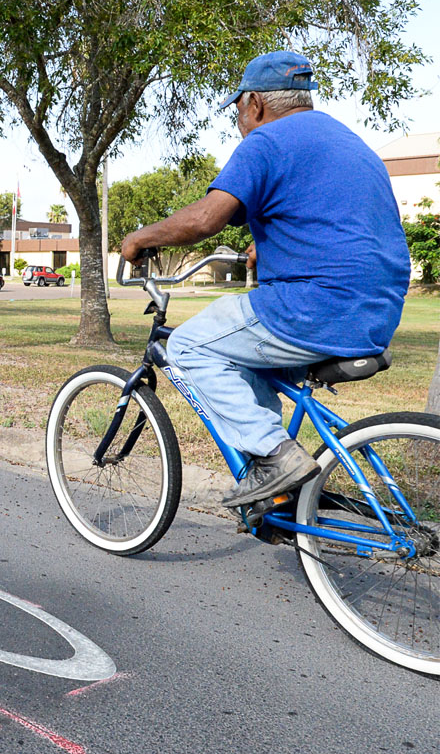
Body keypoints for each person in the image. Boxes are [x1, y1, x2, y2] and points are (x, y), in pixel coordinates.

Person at [120, 50, 411, 509]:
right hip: (376, 310)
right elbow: (351, 225)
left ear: (254, 103)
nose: (239, 119)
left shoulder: (266, 141)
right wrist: (273, 244)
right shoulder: (354, 144)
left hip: (312, 308)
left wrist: (140, 237)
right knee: (249, 360)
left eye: (238, 109)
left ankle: (277, 458)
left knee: (189, 346)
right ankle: (279, 496)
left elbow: (205, 220)